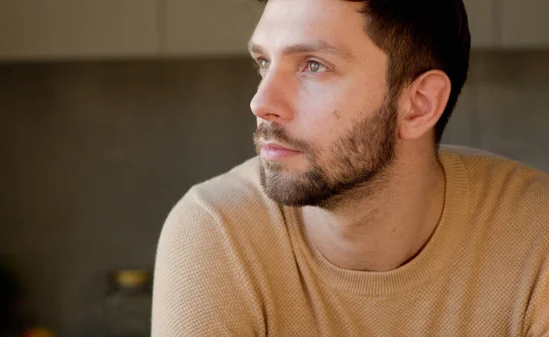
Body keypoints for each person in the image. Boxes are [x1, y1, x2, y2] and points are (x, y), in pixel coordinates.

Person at [152, 0, 549, 335]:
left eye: (313, 66)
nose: (261, 102)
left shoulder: (536, 232)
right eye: (263, 62)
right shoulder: (217, 230)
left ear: (420, 104)